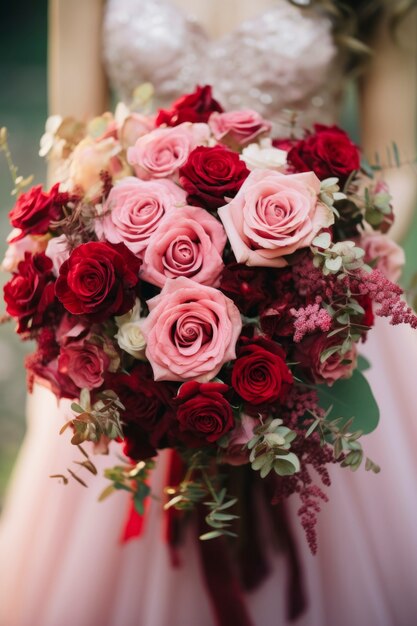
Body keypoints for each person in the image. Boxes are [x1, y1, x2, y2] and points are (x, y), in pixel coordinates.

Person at [0, 1, 416, 625]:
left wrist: (316, 280)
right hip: (130, 303)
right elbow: (75, 147)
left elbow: (401, 162)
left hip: (319, 301)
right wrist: (124, 289)